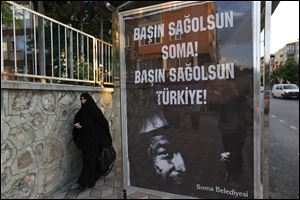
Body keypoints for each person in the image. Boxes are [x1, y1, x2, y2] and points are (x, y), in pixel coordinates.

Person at [72, 92, 112, 190]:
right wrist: (77, 126)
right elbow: (77, 123)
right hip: (86, 142)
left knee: (90, 161)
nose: (82, 101)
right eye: (81, 99)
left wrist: (101, 136)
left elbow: (104, 123)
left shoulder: (95, 111)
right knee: (89, 161)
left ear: (88, 99)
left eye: (84, 99)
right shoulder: (81, 113)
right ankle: (91, 179)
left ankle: (83, 183)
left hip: (95, 142)